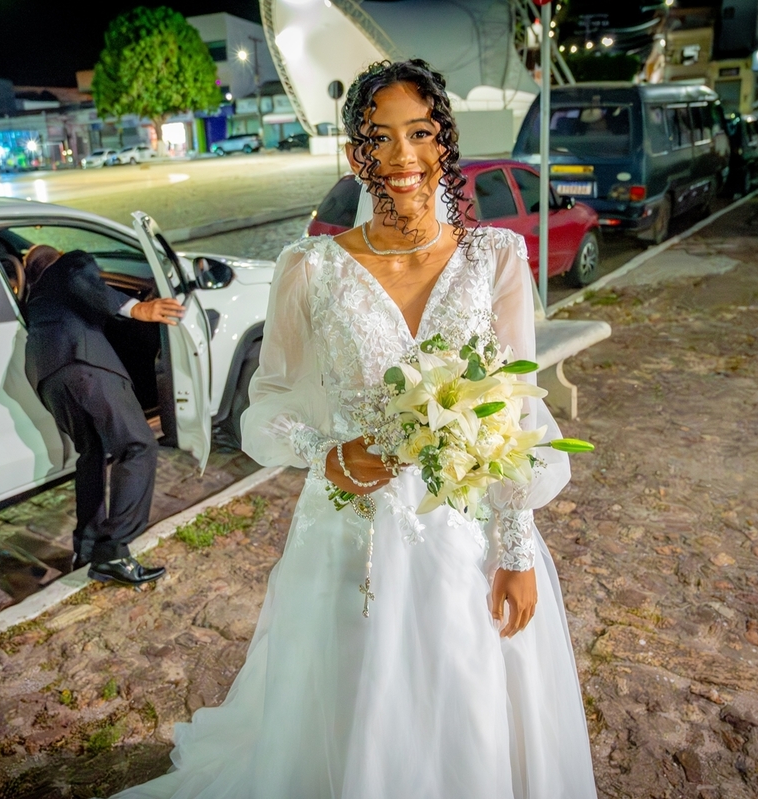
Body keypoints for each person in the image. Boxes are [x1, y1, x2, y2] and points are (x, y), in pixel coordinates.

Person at [111, 60, 597, 797]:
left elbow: (518, 407)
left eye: (420, 133)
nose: (403, 157)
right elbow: (265, 406)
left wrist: (516, 546)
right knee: (349, 711)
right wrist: (325, 453)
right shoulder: (309, 268)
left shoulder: (494, 257)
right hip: (348, 546)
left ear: (444, 142)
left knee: (469, 713)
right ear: (354, 156)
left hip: (462, 543)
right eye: (380, 138)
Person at [24, 244, 185, 587]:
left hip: (46, 377)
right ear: (58, 256)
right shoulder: (70, 264)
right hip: (84, 363)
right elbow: (86, 281)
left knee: (91, 454)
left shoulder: (36, 298)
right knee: (138, 446)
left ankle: (86, 548)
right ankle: (113, 551)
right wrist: (138, 307)